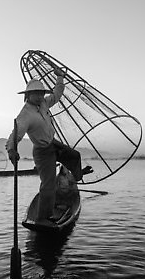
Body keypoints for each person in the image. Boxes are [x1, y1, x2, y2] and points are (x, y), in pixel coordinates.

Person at [6, 68, 93, 226]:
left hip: (53, 143)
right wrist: (12, 149)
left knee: (75, 156)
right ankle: (42, 218)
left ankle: (76, 177)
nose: (39, 96)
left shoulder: (44, 103)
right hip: (42, 151)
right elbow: (15, 134)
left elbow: (57, 94)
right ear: (28, 95)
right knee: (48, 185)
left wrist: (60, 77)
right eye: (36, 93)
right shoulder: (25, 114)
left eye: (41, 93)